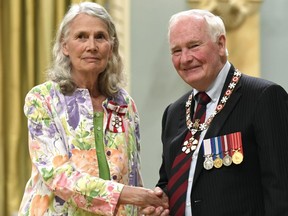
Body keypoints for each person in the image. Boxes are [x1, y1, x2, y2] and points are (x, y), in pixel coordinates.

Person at [18, 2, 168, 215]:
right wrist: (128, 194)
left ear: (111, 46)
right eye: (81, 37)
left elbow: (132, 175)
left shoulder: (124, 104)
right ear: (64, 46)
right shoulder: (42, 99)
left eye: (100, 36)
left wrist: (147, 207)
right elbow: (57, 175)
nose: (92, 46)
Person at [142, 9, 288, 216]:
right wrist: (159, 200)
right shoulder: (174, 113)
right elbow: (170, 182)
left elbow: (281, 189)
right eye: (176, 51)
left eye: (193, 46)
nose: (185, 59)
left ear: (220, 44)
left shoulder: (263, 97)